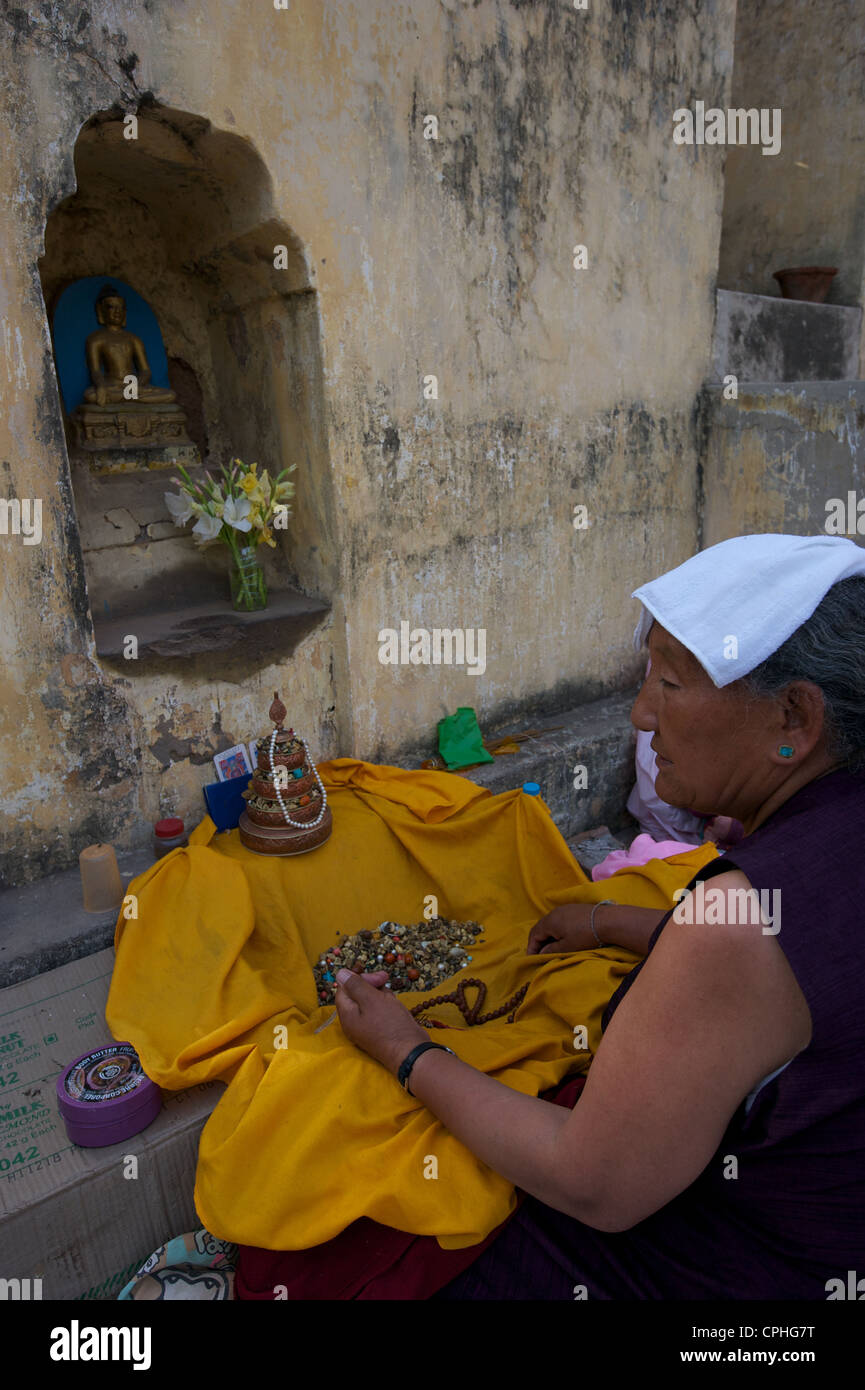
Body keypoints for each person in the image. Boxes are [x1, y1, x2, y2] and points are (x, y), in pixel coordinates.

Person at [333, 533, 865, 1299]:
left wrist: (406, 1049)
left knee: (387, 1246)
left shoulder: (737, 925)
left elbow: (595, 1187)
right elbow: (803, 979)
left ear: (793, 717)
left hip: (744, 1282)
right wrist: (612, 924)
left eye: (671, 684)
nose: (643, 714)